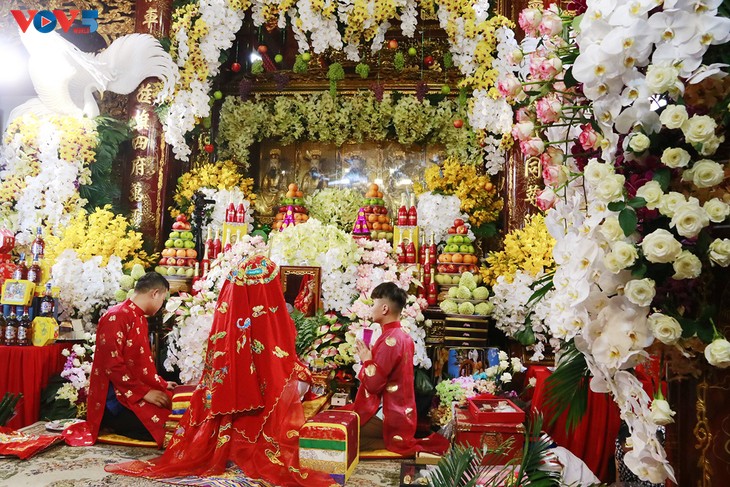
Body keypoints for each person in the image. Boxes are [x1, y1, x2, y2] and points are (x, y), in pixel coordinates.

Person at [106, 255, 336, 487]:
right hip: (127, 398)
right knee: (297, 381)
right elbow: (285, 368)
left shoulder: (227, 331)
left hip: (221, 408)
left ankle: (233, 445)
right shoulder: (271, 322)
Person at [63, 272, 174, 447]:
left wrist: (159, 383)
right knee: (164, 428)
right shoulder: (116, 316)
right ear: (155, 294)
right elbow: (111, 365)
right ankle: (111, 422)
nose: (162, 306)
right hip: (115, 399)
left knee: (172, 410)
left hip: (131, 391)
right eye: (162, 300)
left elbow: (140, 364)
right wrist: (145, 393)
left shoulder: (139, 318)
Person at [343, 282, 450, 455]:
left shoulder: (389, 341)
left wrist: (366, 360)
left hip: (388, 415)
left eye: (373, 304)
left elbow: (374, 385)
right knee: (344, 421)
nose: (371, 309)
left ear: (384, 308)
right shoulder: (401, 336)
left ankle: (386, 443)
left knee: (342, 436)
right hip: (401, 413)